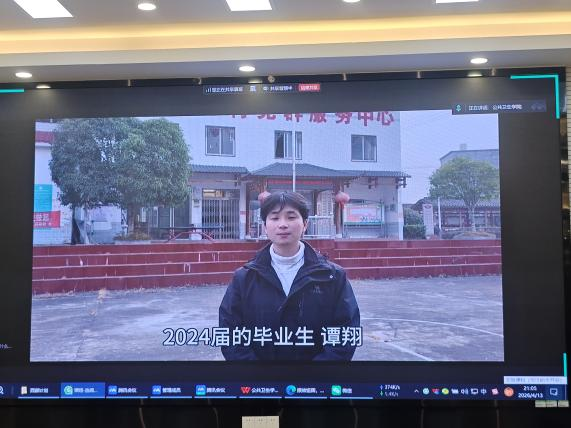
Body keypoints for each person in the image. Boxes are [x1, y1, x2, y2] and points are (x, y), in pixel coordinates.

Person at [219, 191, 360, 361]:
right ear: (265, 226)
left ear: (305, 224)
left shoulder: (332, 276)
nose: (283, 224)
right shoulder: (244, 278)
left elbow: (345, 333)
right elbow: (230, 334)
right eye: (275, 218)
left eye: (291, 217)